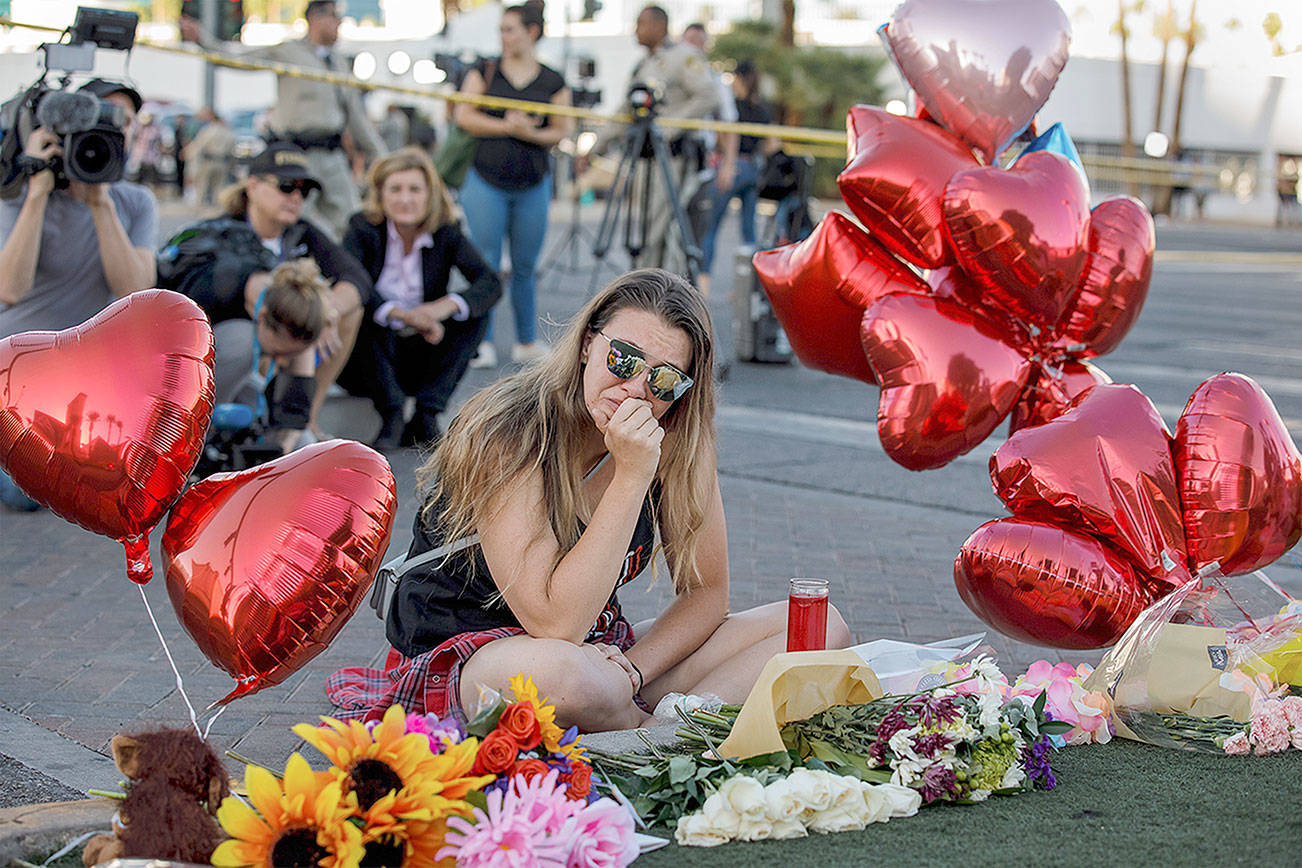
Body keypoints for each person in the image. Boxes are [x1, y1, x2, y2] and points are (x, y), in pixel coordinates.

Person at [326, 268, 852, 730]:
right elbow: (554, 624)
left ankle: (651, 728)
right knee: (570, 679)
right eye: (623, 359)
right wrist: (631, 476)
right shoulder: (510, 431)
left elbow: (707, 594)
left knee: (818, 627)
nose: (636, 388)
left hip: (601, 656)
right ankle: (667, 730)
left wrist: (637, 669)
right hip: (474, 656)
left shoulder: (678, 441)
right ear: (586, 344)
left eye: (665, 379)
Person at [0, 78, 157, 513]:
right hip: (16, 374)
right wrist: (36, 195)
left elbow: (136, 291)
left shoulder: (133, 202)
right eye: (101, 118)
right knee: (25, 493)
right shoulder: (16, 197)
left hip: (89, 382)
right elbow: (9, 288)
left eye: (123, 123)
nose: (112, 131)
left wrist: (100, 203)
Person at [162, 142, 372, 440]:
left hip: (281, 358)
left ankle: (306, 416)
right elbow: (223, 289)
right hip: (216, 365)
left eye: (304, 190)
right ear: (253, 185)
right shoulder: (219, 233)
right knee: (252, 334)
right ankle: (197, 431)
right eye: (286, 186)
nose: (296, 197)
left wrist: (325, 311)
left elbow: (357, 277)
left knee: (347, 308)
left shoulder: (301, 232)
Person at [181, 0, 387, 239]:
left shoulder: (339, 63)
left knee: (351, 222)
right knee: (292, 223)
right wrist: (203, 40)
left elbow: (357, 120)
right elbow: (241, 60)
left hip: (332, 156)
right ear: (315, 18)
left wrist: (384, 159)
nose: (339, 23)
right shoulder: (289, 52)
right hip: (296, 155)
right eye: (333, 16)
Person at [341, 148, 502, 450]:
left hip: (423, 346)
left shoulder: (445, 231)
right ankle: (392, 413)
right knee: (359, 309)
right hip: (370, 356)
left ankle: (427, 414)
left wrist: (441, 307)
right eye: (396, 189)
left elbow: (490, 282)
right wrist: (401, 314)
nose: (405, 199)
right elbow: (353, 282)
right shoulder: (361, 227)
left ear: (430, 194)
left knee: (475, 312)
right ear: (380, 194)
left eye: (415, 189)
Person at [454, 3, 572, 370]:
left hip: (532, 183)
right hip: (485, 181)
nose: (504, 37)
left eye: (510, 29)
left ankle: (525, 340)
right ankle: (482, 341)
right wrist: (508, 127)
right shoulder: (484, 71)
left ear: (531, 32)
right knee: (485, 262)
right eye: (501, 30)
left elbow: (561, 131)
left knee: (525, 265)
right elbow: (464, 115)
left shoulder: (553, 80)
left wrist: (530, 133)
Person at [593, 6, 719, 277]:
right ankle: (646, 283)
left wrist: (668, 127)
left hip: (672, 160)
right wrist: (596, 147)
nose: (635, 30)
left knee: (660, 232)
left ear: (658, 26)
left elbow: (708, 95)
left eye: (641, 23)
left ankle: (651, 287)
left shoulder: (683, 58)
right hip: (646, 159)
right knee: (648, 227)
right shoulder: (643, 65)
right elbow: (626, 111)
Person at [698, 60, 777, 293]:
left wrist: (726, 160)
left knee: (711, 226)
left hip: (730, 166)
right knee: (748, 230)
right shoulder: (763, 109)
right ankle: (746, 288)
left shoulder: (731, 107)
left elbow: (724, 135)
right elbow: (772, 143)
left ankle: (704, 284)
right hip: (752, 168)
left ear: (739, 79)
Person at [184, 108, 236, 206]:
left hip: (208, 161)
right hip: (222, 162)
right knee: (219, 188)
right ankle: (216, 210)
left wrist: (189, 155)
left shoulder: (209, 130)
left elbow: (199, 145)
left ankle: (201, 209)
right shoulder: (228, 132)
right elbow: (232, 148)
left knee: (202, 187)